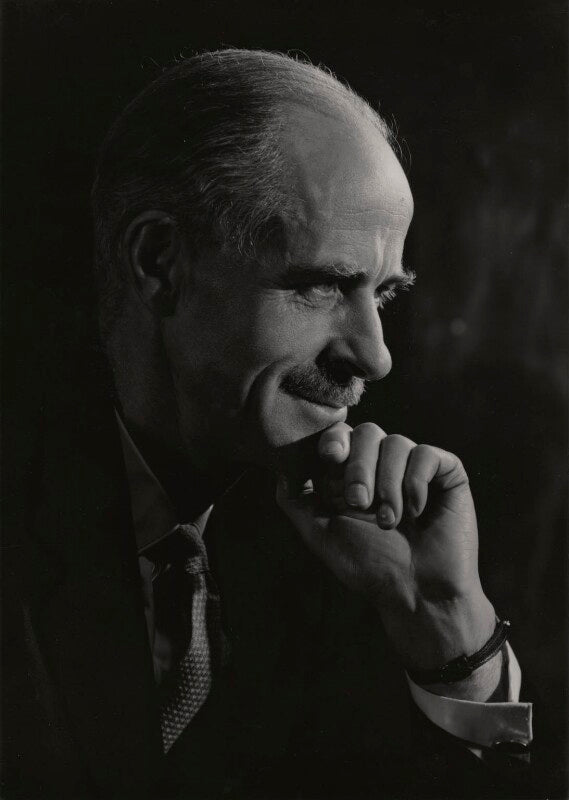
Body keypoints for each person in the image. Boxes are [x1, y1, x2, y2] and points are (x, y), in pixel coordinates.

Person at [2, 49, 534, 799]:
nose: (375, 356)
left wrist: (445, 624)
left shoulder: (362, 549)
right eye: (322, 285)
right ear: (160, 263)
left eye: (383, 295)